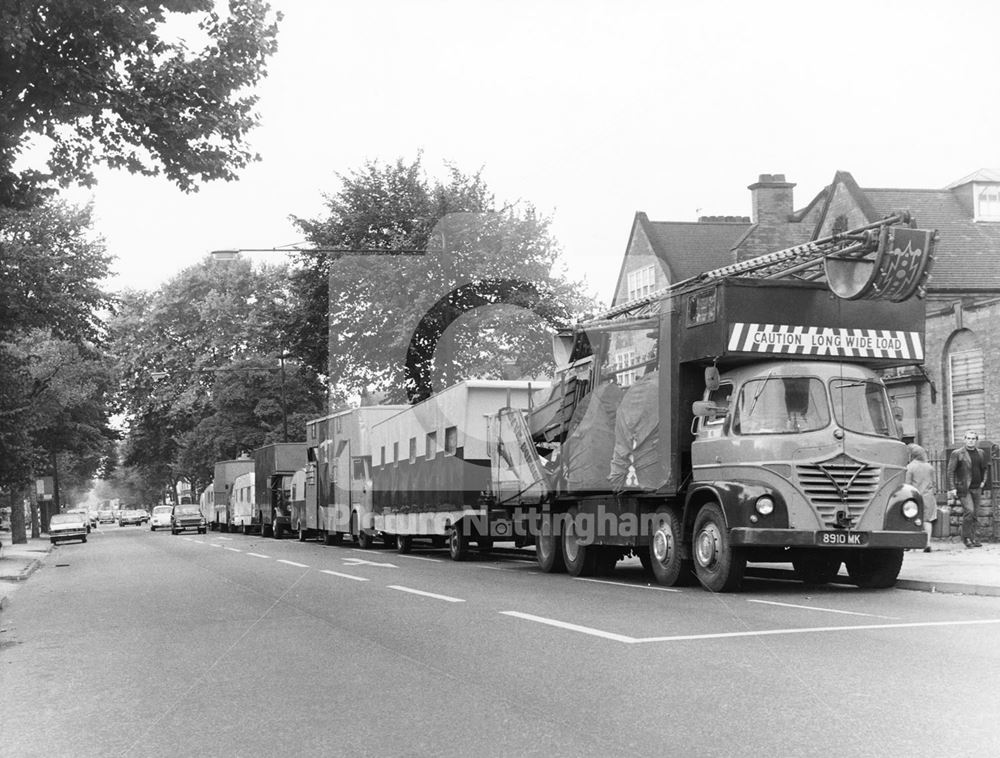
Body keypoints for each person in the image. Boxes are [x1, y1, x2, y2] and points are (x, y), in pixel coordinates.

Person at [947, 430, 986, 548]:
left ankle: (974, 538)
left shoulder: (981, 453)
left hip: (977, 487)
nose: (971, 440)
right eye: (968, 438)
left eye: (973, 438)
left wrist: (983, 482)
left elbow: (985, 469)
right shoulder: (957, 453)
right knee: (969, 511)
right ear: (964, 439)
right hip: (964, 488)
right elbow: (950, 471)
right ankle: (966, 538)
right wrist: (952, 487)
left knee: (975, 514)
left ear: (976, 440)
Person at [905, 444, 936, 552]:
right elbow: (933, 483)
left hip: (914, 496)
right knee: (927, 520)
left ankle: (910, 544)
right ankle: (927, 543)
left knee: (911, 519)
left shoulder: (910, 467)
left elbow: (907, 484)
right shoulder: (929, 467)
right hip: (928, 496)